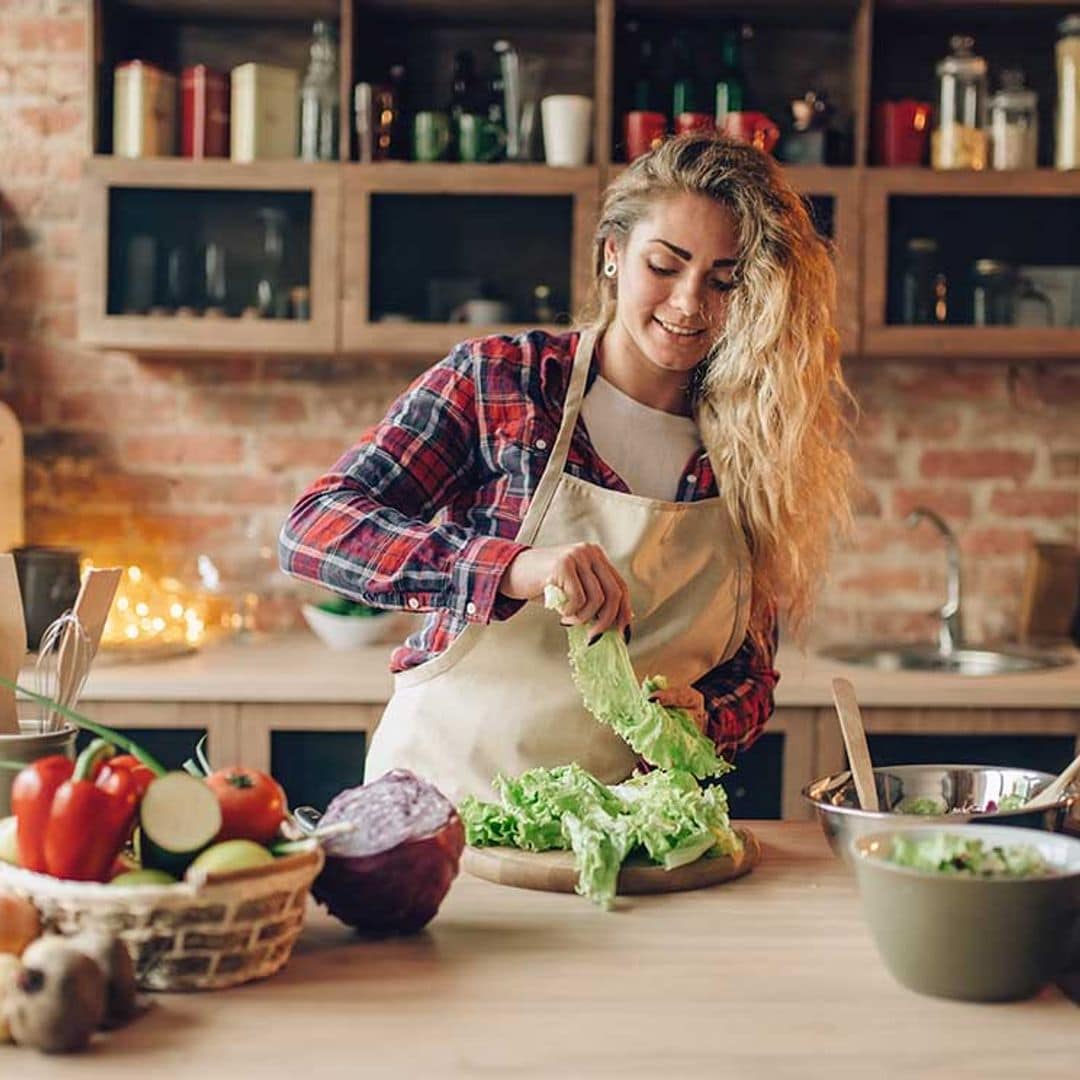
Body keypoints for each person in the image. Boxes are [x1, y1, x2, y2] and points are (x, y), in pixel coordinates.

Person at [280, 132, 854, 804]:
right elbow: (313, 531)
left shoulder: (753, 446)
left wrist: (709, 720)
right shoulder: (504, 382)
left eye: (724, 281)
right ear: (613, 254)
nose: (690, 303)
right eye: (664, 266)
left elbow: (749, 676)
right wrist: (513, 568)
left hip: (616, 838)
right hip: (443, 811)